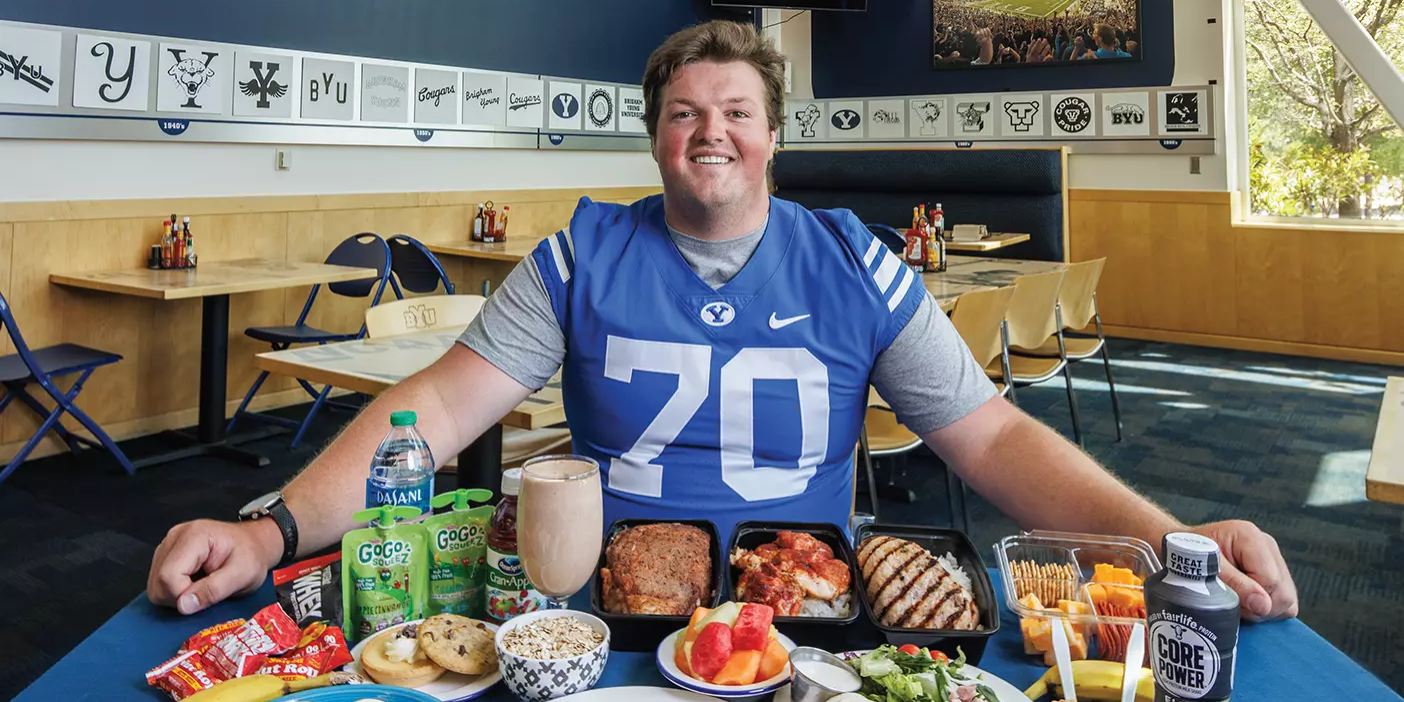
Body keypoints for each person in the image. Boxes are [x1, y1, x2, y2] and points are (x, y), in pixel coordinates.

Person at [148, 20, 1297, 624]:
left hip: (797, 610)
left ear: (773, 133)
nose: (712, 133)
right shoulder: (577, 255)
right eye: (686, 113)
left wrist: (1171, 541)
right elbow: (434, 409)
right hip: (596, 613)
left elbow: (990, 438)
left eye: (737, 112)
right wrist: (267, 530)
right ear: (653, 135)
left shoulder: (854, 262)